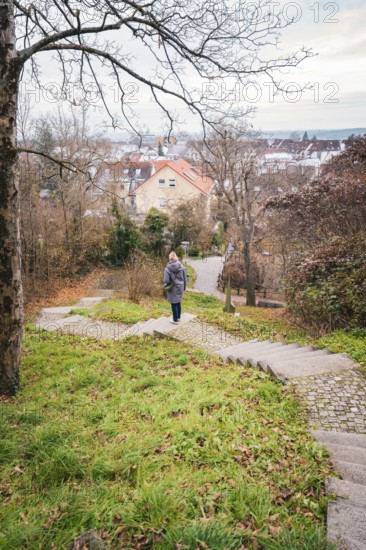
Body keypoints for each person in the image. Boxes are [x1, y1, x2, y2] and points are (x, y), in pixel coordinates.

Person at [163, 251, 187, 324]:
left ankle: (175, 320)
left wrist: (166, 284)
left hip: (173, 288)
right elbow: (185, 278)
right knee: (178, 302)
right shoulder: (182, 267)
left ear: (170, 258)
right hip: (180, 287)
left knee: (174, 303)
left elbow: (166, 280)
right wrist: (184, 287)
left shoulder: (167, 268)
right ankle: (178, 317)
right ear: (176, 257)